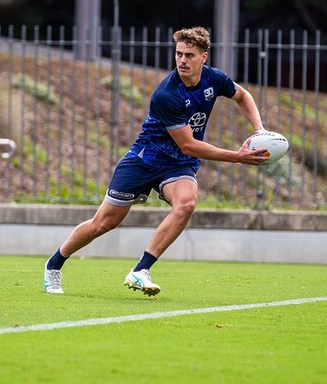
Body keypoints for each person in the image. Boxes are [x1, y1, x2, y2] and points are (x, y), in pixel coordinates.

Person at [44, 26, 268, 296]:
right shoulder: (167, 95)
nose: (182, 60)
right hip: (145, 159)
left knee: (186, 203)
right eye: (178, 54)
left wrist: (260, 130)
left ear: (204, 57)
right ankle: (54, 264)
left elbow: (242, 95)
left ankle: (140, 270)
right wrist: (238, 157)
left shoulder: (214, 79)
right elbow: (189, 144)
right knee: (104, 223)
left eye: (189, 55)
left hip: (178, 164)